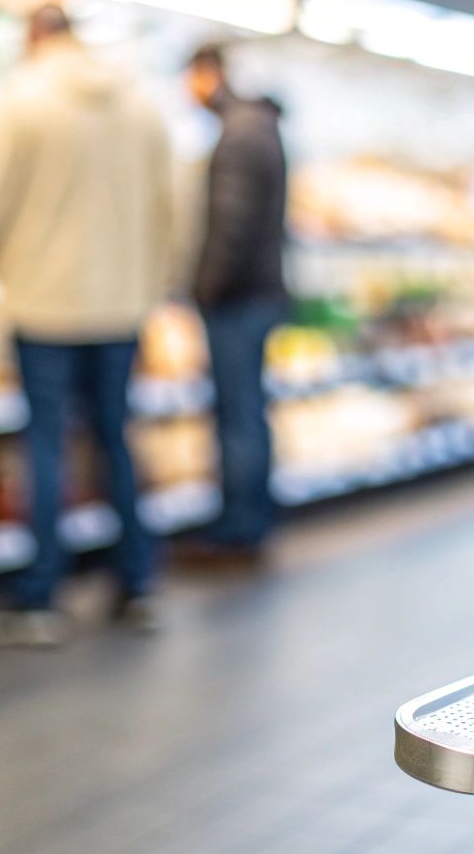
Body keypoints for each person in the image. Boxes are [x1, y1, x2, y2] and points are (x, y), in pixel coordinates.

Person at [0, 4, 174, 644]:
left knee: (46, 444)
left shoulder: (22, 99)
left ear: (33, 37)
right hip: (122, 303)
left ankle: (42, 594)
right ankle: (136, 584)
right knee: (115, 438)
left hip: (44, 301)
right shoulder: (140, 103)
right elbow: (171, 208)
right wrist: (150, 282)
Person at [181, 43, 288, 561]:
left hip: (238, 299)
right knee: (250, 410)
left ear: (206, 75)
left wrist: (205, 289)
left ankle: (239, 524)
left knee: (238, 413)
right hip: (258, 293)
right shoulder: (260, 127)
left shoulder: (239, 135)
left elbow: (232, 226)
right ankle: (253, 517)